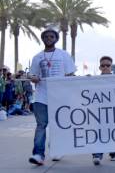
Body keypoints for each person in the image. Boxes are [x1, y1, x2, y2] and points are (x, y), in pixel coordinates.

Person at [28, 28, 76, 166]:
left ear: (56, 39)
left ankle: (57, 150)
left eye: (52, 36)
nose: (49, 38)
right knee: (41, 125)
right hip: (41, 96)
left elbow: (70, 75)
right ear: (43, 39)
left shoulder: (63, 55)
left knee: (58, 125)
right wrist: (33, 78)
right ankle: (38, 154)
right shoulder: (37, 57)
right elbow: (31, 75)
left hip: (60, 96)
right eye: (46, 36)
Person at [91, 56, 115, 165]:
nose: (106, 67)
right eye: (103, 65)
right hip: (98, 112)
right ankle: (97, 155)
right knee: (98, 132)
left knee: (113, 132)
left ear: (112, 67)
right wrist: (85, 81)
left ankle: (113, 151)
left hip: (114, 112)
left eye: (108, 65)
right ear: (99, 67)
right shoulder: (93, 80)